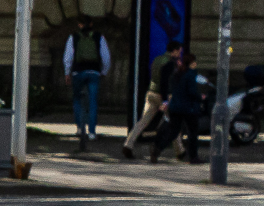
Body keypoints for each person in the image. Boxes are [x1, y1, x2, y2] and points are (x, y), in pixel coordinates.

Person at [121, 41, 186, 161]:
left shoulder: (157, 59)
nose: (180, 54)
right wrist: (165, 100)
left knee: (142, 122)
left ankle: (128, 145)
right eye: (179, 51)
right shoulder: (170, 63)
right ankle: (180, 150)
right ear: (175, 50)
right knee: (174, 123)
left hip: (151, 93)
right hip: (164, 95)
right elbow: (165, 82)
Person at [62, 19, 111, 148]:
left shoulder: (73, 37)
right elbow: (106, 57)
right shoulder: (99, 37)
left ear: (79, 24)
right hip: (94, 72)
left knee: (77, 99)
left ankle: (79, 128)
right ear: (91, 24)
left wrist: (67, 73)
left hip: (78, 72)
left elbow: (68, 57)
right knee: (93, 102)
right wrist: (103, 72)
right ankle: (92, 132)